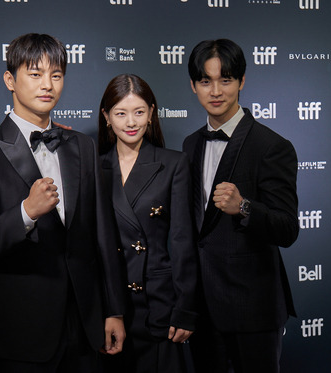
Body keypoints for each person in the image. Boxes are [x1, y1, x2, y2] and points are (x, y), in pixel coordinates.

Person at [0, 33, 126, 372]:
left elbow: (103, 234)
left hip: (84, 323)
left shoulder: (82, 146)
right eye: (35, 74)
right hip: (21, 330)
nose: (47, 84)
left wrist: (114, 309)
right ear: (10, 80)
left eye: (56, 74)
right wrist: (26, 212)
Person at [182, 39, 298, 373]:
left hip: (253, 308)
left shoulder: (272, 146)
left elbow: (288, 228)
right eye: (205, 81)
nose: (215, 90)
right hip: (203, 308)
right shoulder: (191, 145)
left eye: (226, 79)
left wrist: (245, 206)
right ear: (193, 85)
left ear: (242, 81)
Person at [98, 74, 198, 373]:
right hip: (110, 305)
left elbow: (183, 242)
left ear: (152, 113)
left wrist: (185, 309)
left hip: (159, 304)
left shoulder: (173, 164)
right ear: (106, 116)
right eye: (120, 113)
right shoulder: (92, 165)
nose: (131, 122)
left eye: (139, 112)